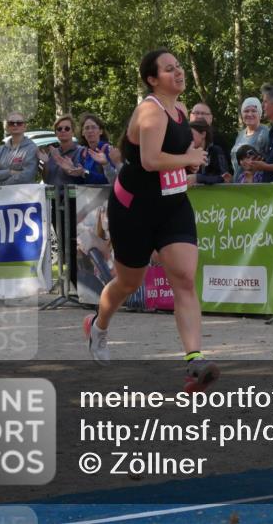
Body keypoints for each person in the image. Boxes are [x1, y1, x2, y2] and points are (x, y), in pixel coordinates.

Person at [84, 49, 215, 392]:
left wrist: (188, 165)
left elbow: (172, 158)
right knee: (127, 283)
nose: (178, 72)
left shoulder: (181, 110)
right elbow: (151, 159)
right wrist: (188, 156)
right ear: (152, 79)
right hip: (133, 209)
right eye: (169, 69)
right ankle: (98, 325)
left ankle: (194, 362)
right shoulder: (150, 111)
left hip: (172, 205)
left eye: (179, 67)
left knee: (184, 279)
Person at [0, 111, 39, 186]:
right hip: (1, 195)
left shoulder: (32, 148)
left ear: (24, 127)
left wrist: (2, 184)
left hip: (25, 196)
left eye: (19, 123)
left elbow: (27, 176)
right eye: (11, 123)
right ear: (7, 128)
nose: (15, 125)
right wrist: (10, 172)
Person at [230, 97, 270, 179]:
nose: (249, 114)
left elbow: (271, 161)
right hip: (239, 184)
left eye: (253, 111)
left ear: (260, 114)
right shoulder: (240, 134)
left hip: (256, 185)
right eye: (246, 111)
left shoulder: (266, 133)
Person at [42, 114, 85, 188]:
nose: (63, 130)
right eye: (59, 129)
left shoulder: (81, 151)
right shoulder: (51, 153)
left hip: (72, 197)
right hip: (52, 196)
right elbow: (46, 180)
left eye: (67, 128)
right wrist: (45, 163)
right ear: (56, 133)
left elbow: (84, 178)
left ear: (73, 132)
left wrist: (71, 169)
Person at [76, 112, 117, 185]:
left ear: (100, 131)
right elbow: (81, 181)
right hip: (87, 195)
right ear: (82, 132)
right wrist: (70, 170)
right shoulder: (83, 152)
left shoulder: (107, 150)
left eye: (93, 127)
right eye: (87, 128)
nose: (90, 131)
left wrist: (85, 173)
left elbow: (110, 180)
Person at [188, 121, 231, 185]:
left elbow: (224, 177)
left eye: (190, 134)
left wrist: (197, 178)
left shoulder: (215, 151)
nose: (188, 137)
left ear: (203, 134)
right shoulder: (187, 153)